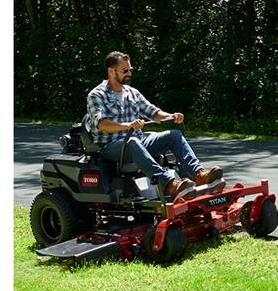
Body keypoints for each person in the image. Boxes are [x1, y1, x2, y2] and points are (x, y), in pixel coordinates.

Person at [85, 51, 223, 200]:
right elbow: (102, 124)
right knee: (133, 142)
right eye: (125, 70)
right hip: (111, 146)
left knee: (173, 135)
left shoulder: (132, 93)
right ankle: (170, 184)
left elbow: (153, 112)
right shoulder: (97, 94)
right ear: (111, 71)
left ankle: (198, 175)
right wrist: (128, 125)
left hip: (137, 141)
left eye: (130, 69)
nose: (129, 73)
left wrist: (171, 116)